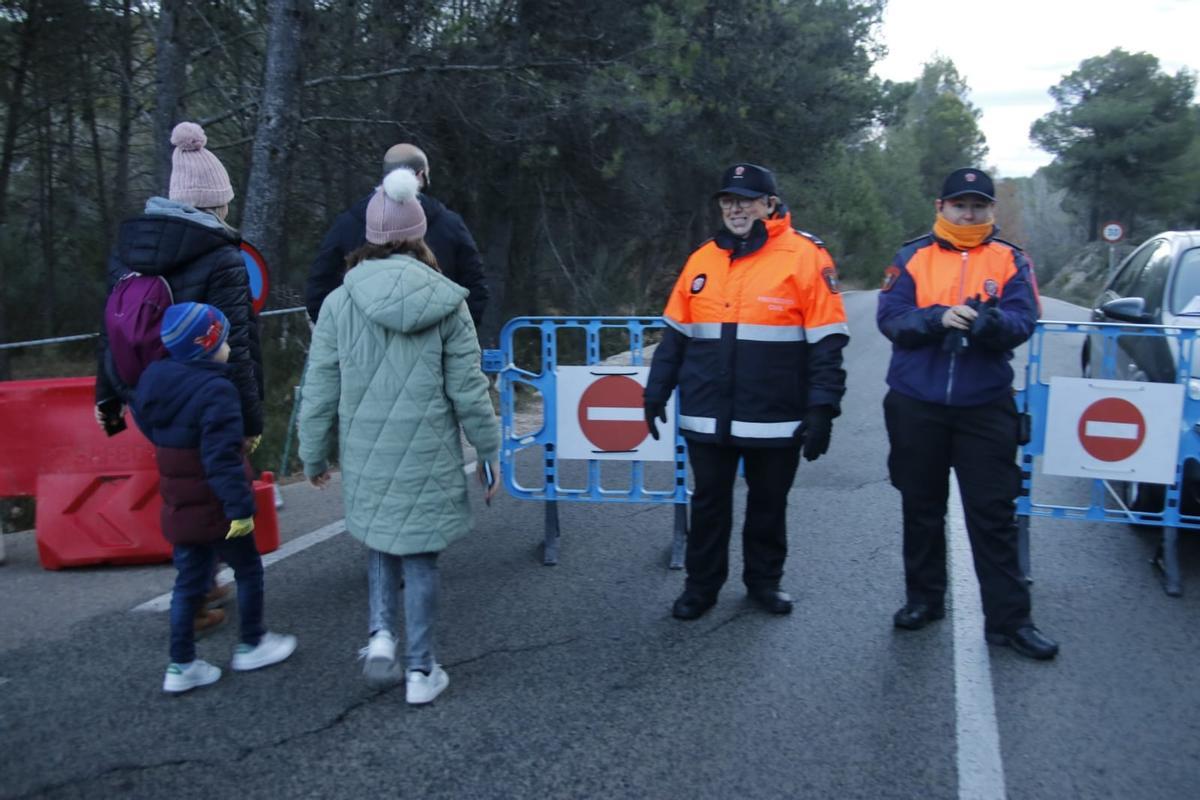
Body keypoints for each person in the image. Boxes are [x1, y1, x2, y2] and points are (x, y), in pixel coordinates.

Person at [299, 167, 500, 705]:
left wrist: (313, 453)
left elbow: (318, 386)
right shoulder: (448, 303)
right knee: (421, 557)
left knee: (380, 543)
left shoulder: (340, 303)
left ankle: (380, 635)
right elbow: (468, 388)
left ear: (368, 236)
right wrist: (489, 450)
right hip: (428, 451)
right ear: (418, 234)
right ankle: (421, 670)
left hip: (367, 452)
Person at [644, 163, 850, 621]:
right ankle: (701, 588)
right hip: (707, 412)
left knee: (768, 505)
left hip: (774, 414)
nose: (735, 208)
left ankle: (764, 583)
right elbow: (676, 335)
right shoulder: (702, 259)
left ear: (770, 204)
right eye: (727, 200)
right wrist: (656, 391)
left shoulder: (806, 256)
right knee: (709, 504)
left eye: (746, 199)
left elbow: (827, 343)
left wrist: (823, 409)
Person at [876, 167, 1058, 661]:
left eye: (979, 205)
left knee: (994, 515)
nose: (969, 213)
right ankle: (924, 600)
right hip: (917, 404)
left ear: (991, 211)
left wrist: (986, 321)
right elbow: (890, 319)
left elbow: (1024, 320)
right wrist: (938, 318)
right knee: (921, 509)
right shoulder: (912, 256)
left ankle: (1010, 621)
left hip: (985, 406)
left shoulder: (1011, 260)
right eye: (960, 205)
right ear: (942, 208)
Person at [95, 120, 264, 632]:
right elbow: (236, 344)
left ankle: (199, 587)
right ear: (214, 203)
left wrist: (108, 395)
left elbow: (108, 328)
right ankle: (197, 596)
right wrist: (250, 419)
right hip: (204, 393)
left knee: (183, 487)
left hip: (144, 389)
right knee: (215, 485)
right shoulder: (220, 255)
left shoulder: (129, 250)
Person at [133, 302, 296, 693]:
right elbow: (221, 457)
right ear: (207, 344)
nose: (227, 346)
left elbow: (142, 417)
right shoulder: (217, 390)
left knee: (188, 582)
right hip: (218, 505)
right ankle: (253, 642)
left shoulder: (155, 379)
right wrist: (240, 508)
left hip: (180, 503)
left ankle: (181, 663)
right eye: (223, 339)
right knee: (249, 570)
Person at [305, 143, 488, 328]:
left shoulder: (347, 225)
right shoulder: (450, 225)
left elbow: (318, 291)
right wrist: (454, 336)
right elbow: (475, 288)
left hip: (362, 350)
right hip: (434, 348)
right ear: (420, 175)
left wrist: (344, 339)